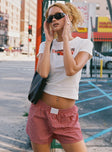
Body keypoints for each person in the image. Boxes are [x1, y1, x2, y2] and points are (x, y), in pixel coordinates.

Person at [26, 2, 93, 152]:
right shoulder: (45, 45)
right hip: (40, 112)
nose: (54, 20)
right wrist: (49, 40)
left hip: (66, 116)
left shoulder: (84, 44)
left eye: (58, 16)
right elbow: (42, 73)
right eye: (50, 18)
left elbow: (71, 69)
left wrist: (65, 41)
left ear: (69, 18)